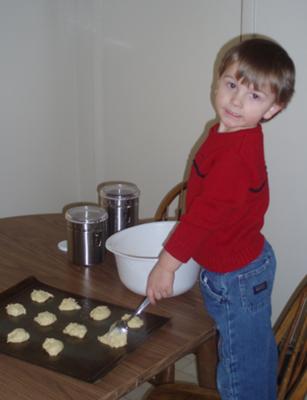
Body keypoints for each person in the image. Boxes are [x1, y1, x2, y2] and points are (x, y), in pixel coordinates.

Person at [146, 37, 295, 400]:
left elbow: (203, 217)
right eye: (231, 85)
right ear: (217, 82)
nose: (236, 101)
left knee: (241, 371)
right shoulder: (228, 133)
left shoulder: (235, 156)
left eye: (255, 96)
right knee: (249, 352)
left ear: (274, 109)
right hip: (240, 263)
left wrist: (166, 264)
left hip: (236, 277)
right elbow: (205, 203)